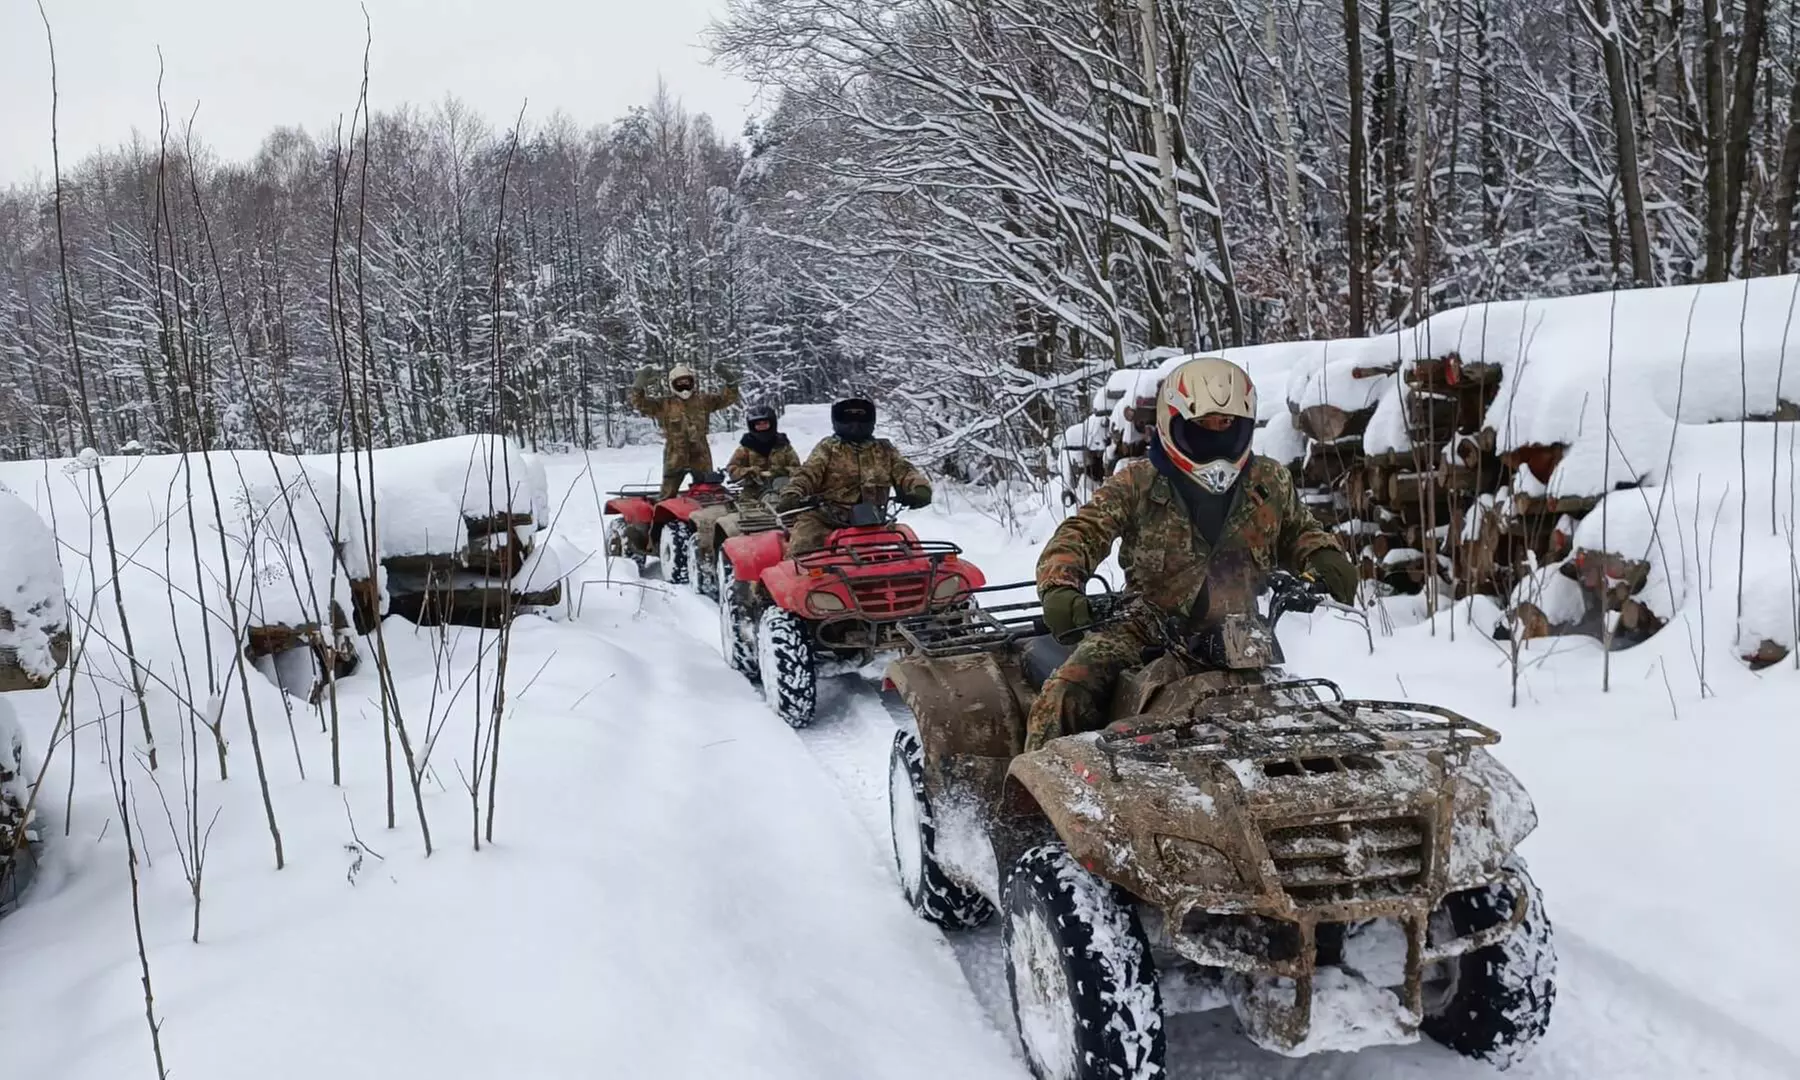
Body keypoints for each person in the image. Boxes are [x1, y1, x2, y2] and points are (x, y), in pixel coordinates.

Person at [1025, 356, 1359, 751]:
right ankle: (1035, 798)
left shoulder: (1268, 481)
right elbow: (1080, 533)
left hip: (1240, 634)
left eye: (1226, 424)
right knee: (1068, 690)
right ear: (1174, 422)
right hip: (1144, 626)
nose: (1216, 434)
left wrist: (1322, 556)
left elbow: (1297, 531)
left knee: (1292, 717)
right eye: (1202, 425)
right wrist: (1061, 585)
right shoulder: (1138, 482)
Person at [774, 397, 932, 556]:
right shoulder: (828, 448)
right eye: (849, 418)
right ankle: (795, 576)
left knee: (910, 547)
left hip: (876, 520)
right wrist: (793, 493)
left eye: (860, 418)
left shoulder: (884, 450)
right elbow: (808, 473)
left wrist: (919, 488)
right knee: (803, 548)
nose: (855, 424)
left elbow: (904, 470)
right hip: (827, 519)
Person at [630, 363, 741, 498]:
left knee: (707, 492)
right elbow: (640, 404)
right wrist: (638, 387)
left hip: (700, 454)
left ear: (692, 382)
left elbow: (728, 398)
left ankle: (703, 517)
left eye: (687, 381)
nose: (684, 385)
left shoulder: (703, 400)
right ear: (673, 384)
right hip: (675, 455)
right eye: (680, 382)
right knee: (667, 494)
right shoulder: (664, 404)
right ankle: (664, 517)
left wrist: (730, 381)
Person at [724, 403, 802, 499]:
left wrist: (780, 471)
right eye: (758, 424)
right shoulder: (745, 448)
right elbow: (732, 469)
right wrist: (749, 471)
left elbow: (798, 469)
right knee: (746, 509)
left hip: (781, 487)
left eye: (765, 423)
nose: (762, 426)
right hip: (753, 489)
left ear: (772, 423)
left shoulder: (783, 446)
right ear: (752, 426)